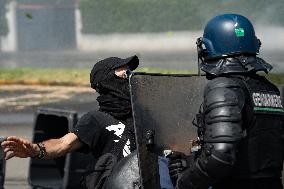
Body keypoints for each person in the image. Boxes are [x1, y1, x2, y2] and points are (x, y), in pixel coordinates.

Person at [168, 14, 284, 189]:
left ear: (209, 48)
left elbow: (219, 157)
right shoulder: (270, 89)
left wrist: (184, 182)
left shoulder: (223, 88)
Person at [1, 55, 139, 188]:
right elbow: (63, 144)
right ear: (108, 80)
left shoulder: (143, 114)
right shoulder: (96, 119)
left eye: (131, 72)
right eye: (125, 72)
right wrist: (36, 150)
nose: (130, 77)